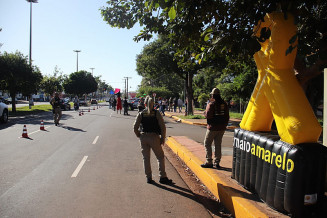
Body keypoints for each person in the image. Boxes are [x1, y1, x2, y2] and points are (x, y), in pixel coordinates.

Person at [133, 97, 173, 184]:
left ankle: (149, 178)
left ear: (145, 104)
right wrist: (162, 138)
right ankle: (162, 177)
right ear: (153, 104)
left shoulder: (141, 114)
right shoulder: (156, 113)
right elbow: (163, 127)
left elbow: (135, 127)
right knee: (160, 157)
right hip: (154, 137)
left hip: (143, 137)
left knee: (146, 158)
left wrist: (139, 135)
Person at [201, 88, 229, 169]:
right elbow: (227, 116)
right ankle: (217, 162)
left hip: (212, 127)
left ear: (213, 95)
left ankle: (209, 161)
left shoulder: (211, 104)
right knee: (218, 144)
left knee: (207, 143)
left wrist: (205, 112)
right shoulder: (224, 104)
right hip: (222, 127)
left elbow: (208, 115)